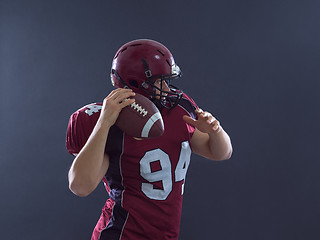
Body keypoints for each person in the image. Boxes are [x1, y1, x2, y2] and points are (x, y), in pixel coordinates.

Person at [66, 39, 233, 240]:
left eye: (167, 79)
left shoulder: (179, 109)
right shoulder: (107, 121)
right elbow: (81, 186)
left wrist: (216, 131)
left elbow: (221, 153)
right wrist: (103, 124)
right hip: (120, 234)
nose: (166, 87)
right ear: (137, 83)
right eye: (159, 81)